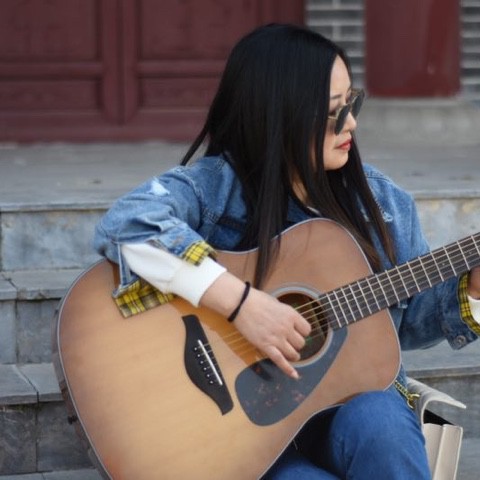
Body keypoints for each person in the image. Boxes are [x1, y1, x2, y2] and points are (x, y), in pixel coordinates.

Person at [94, 23, 480, 479]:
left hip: (343, 409)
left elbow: (406, 324)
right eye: (334, 111)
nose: (352, 123)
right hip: (236, 427)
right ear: (279, 115)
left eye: (352, 103)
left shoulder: (384, 205)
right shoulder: (214, 190)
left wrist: (473, 290)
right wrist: (242, 306)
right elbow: (129, 225)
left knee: (383, 423)